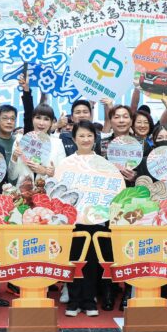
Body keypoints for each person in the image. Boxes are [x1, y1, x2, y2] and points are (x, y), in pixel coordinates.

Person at [64, 120, 105, 317]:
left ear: (95, 138)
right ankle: (73, 301)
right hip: (73, 219)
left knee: (92, 261)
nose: (86, 139)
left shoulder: (103, 164)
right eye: (81, 135)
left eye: (89, 135)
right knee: (73, 260)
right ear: (74, 139)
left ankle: (89, 301)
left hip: (96, 218)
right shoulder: (67, 163)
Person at [9, 104, 65, 188]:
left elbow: (62, 176)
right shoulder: (20, 140)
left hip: (46, 195)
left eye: (46, 119)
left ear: (51, 123)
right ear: (32, 119)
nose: (41, 123)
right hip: (22, 194)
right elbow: (12, 176)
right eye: (38, 118)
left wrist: (46, 171)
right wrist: (14, 157)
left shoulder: (57, 144)